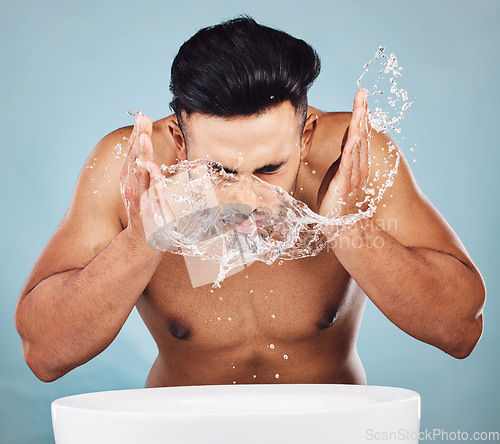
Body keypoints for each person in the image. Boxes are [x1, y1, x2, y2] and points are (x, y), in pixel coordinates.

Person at [15, 16, 485, 386]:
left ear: (306, 135)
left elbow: (462, 330)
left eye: (269, 169)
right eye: (219, 171)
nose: (247, 198)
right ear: (179, 140)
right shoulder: (132, 170)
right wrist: (141, 240)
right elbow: (43, 354)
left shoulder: (354, 159)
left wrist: (350, 229)